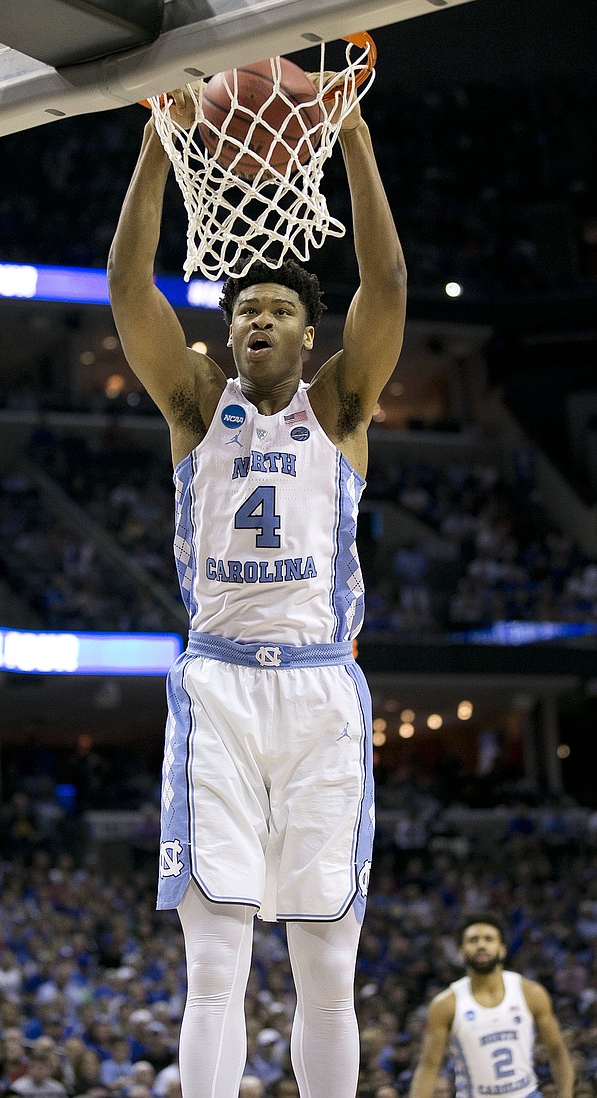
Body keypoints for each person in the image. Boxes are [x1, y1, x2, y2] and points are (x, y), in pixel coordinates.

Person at [107, 68, 406, 1098]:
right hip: (220, 687)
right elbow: (126, 290)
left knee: (327, 967)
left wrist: (352, 138)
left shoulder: (341, 409)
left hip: (321, 687)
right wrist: (159, 133)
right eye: (245, 313)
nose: (260, 323)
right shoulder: (195, 409)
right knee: (214, 962)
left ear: (307, 336)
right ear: (227, 336)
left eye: (278, 310)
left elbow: (388, 290)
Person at [407, 912, 574, 1098]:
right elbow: (429, 1066)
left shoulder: (531, 993)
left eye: (488, 939)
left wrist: (566, 1094)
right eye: (473, 940)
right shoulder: (445, 1004)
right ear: (461, 951)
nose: (481, 945)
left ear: (502, 949)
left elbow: (557, 1050)